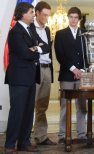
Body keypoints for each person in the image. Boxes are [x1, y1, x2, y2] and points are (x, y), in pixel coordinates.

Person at [4, 2, 50, 153]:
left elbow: (47, 46)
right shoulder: (15, 32)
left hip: (31, 76)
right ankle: (10, 144)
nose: (34, 14)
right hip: (18, 78)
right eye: (31, 12)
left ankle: (24, 142)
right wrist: (36, 50)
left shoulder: (31, 29)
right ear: (23, 14)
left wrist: (35, 48)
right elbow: (25, 53)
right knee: (17, 111)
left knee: (29, 111)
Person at [54, 7, 87, 144]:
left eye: (76, 17)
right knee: (64, 106)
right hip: (67, 75)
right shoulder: (60, 34)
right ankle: (63, 134)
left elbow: (89, 54)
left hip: (82, 76)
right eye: (71, 17)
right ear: (68, 18)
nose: (73, 19)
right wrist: (74, 69)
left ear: (79, 19)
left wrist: (82, 71)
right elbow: (60, 55)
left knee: (82, 107)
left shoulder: (85, 34)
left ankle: (81, 134)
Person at [32, 1, 56, 145]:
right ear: (37, 13)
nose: (47, 18)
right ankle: (23, 138)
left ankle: (41, 136)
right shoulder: (29, 28)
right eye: (45, 15)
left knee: (42, 105)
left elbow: (46, 48)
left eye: (49, 15)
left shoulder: (47, 30)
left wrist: (42, 47)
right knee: (30, 103)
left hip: (47, 69)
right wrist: (42, 47)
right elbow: (41, 48)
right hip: (35, 69)